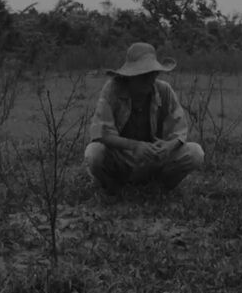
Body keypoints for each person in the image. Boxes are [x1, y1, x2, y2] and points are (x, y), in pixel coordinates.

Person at [84, 42, 204, 193]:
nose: (149, 79)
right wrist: (135, 146)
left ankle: (158, 189)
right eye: (143, 75)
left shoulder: (164, 90)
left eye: (152, 73)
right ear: (130, 76)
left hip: (155, 158)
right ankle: (113, 189)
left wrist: (168, 146)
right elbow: (101, 133)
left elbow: (179, 131)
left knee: (195, 153)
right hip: (122, 158)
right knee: (94, 153)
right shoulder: (112, 89)